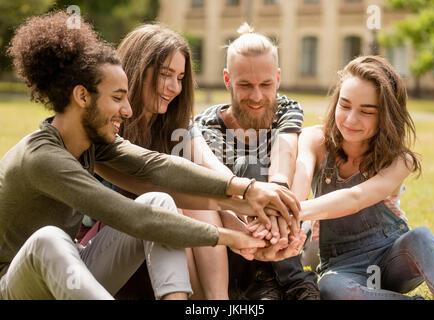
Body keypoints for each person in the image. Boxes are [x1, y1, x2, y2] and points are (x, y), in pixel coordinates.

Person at [0, 11, 301, 300]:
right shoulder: (41, 156)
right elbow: (129, 215)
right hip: (16, 286)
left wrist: (246, 189)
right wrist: (232, 237)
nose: (127, 110)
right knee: (49, 240)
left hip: (74, 271)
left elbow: (158, 166)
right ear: (82, 97)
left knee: (160, 201)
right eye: (118, 98)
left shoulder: (94, 142)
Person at [90, 23, 304, 300]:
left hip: (163, 254)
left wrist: (242, 221)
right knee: (175, 202)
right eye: (165, 75)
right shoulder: (107, 125)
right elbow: (161, 181)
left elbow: (212, 171)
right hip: (114, 254)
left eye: (179, 77)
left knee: (195, 195)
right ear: (138, 69)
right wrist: (241, 213)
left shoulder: (177, 125)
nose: (174, 87)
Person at [248, 55, 434, 299]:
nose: (351, 120)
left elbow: (356, 197)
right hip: (344, 264)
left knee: (421, 238)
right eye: (344, 106)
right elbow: (298, 185)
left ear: (386, 116)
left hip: (394, 258)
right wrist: (284, 213)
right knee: (332, 289)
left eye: (366, 111)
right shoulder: (315, 139)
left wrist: (290, 210)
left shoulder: (400, 159)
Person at [190, 23, 321, 300]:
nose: (258, 96)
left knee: (276, 170)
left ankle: (293, 282)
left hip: (287, 234)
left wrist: (277, 199)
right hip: (235, 240)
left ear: (278, 78)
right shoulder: (205, 127)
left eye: (266, 84)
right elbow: (224, 193)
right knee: (248, 168)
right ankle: (268, 281)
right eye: (245, 85)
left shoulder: (287, 108)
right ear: (227, 80)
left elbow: (284, 153)